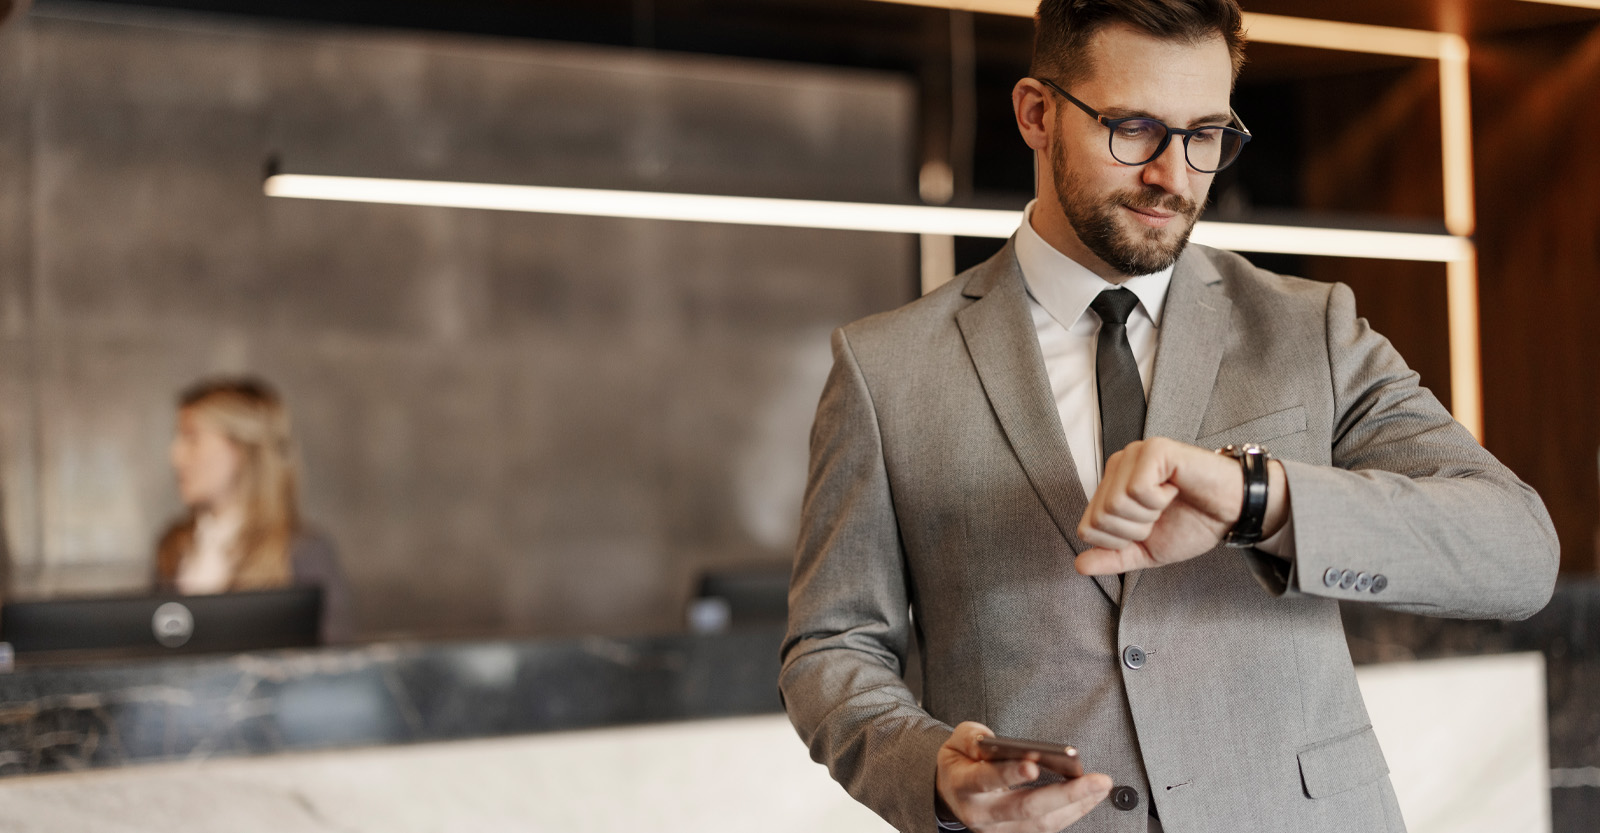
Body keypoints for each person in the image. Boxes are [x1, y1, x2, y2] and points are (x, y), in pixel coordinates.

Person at [778, 2, 1559, 832]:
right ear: (1037, 114)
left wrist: (1259, 498)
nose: (1175, 175)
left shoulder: (1311, 327)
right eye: (1136, 129)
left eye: (1206, 134)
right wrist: (927, 768)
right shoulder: (886, 368)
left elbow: (1516, 552)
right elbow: (832, 646)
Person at [155, 377, 353, 644]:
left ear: (241, 448)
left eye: (192, 438)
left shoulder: (303, 552)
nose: (176, 455)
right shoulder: (173, 546)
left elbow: (334, 663)